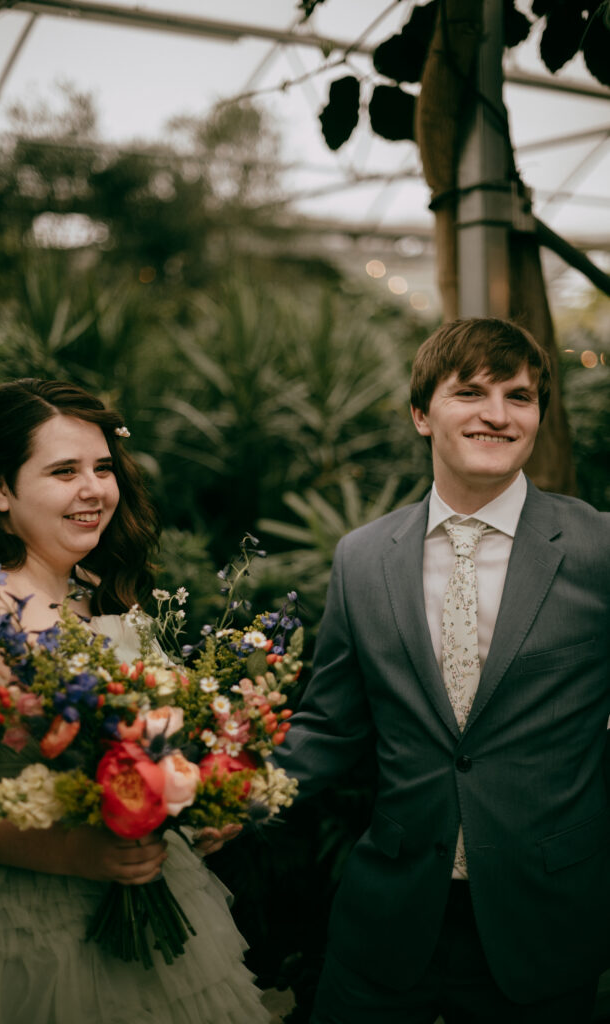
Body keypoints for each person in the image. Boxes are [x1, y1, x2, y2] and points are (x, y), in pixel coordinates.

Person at [272, 318, 610, 1023]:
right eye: (470, 393)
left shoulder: (597, 548)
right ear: (421, 415)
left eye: (518, 397)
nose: (497, 415)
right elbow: (329, 728)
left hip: (546, 923)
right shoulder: (361, 557)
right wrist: (218, 799)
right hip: (387, 921)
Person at [0, 378, 269, 1024]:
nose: (94, 489)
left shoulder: (96, 589)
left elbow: (152, 738)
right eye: (63, 471)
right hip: (23, 930)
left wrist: (198, 802)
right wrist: (78, 852)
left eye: (103, 468)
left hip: (146, 896)